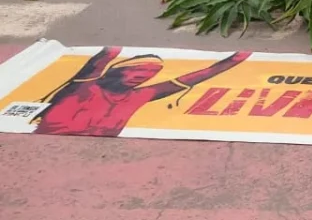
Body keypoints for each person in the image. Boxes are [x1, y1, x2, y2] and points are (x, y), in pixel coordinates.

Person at [32, 46, 250, 137]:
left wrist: (233, 60)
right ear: (117, 71)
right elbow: (99, 61)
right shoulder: (87, 85)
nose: (142, 76)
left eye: (148, 74)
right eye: (138, 70)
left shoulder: (139, 95)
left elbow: (194, 77)